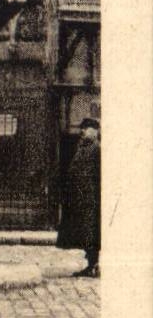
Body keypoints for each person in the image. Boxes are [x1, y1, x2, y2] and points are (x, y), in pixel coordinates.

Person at [57, 117, 100, 277]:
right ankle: (91, 264)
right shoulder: (83, 147)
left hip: (91, 199)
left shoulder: (97, 148)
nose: (83, 131)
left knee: (91, 233)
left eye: (87, 128)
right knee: (85, 233)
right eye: (82, 128)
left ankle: (94, 264)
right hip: (81, 199)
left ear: (95, 131)